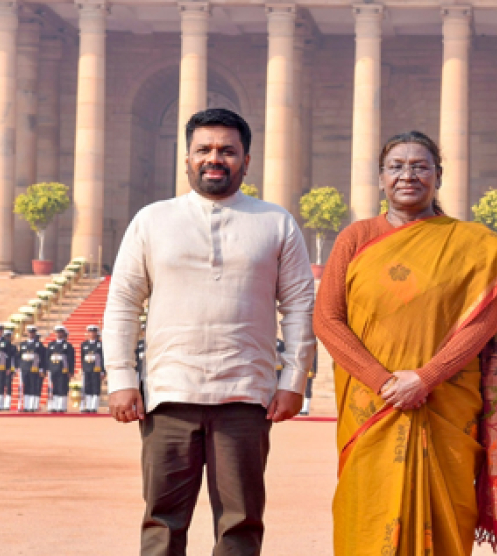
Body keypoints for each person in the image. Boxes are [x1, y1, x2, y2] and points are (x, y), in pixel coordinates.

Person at [314, 130, 497, 555]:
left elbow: (485, 320)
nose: (409, 175)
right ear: (380, 179)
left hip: (444, 404)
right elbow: (327, 319)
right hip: (372, 404)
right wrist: (383, 381)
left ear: (438, 176)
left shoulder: (472, 244)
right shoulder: (356, 237)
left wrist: (426, 378)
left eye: (421, 166)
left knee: (446, 516)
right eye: (397, 167)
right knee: (364, 512)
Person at [103, 108, 316, 555]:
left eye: (227, 151)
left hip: (245, 394)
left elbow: (299, 306)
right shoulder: (151, 220)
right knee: (162, 520)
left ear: (246, 160)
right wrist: (122, 380)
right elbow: (123, 303)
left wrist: (294, 381)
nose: (214, 158)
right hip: (169, 394)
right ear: (186, 158)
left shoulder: (276, 222)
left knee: (240, 523)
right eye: (204, 149)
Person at [46, 325, 75, 413]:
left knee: (62, 387)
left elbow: (71, 359)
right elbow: (47, 357)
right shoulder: (51, 345)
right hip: (53, 369)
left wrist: (71, 371)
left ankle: (62, 406)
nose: (58, 334)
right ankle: (54, 406)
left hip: (63, 370)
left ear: (64, 333)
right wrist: (47, 369)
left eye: (60, 332)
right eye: (57, 332)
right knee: (54, 388)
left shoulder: (67, 346)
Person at [18, 325, 46, 412]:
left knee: (34, 386)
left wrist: (42, 369)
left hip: (34, 368)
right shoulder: (23, 344)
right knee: (26, 386)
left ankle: (33, 406)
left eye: (32, 332)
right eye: (29, 332)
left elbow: (42, 357)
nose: (31, 334)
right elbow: (19, 356)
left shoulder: (39, 345)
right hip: (25, 368)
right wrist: (19, 366)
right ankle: (26, 406)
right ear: (27, 333)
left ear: (35, 333)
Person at [80, 325, 105, 413]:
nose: (92, 334)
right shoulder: (84, 344)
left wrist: (103, 371)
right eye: (90, 332)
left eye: (93, 332)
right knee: (88, 387)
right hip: (87, 368)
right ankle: (88, 406)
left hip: (96, 369)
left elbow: (103, 358)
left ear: (96, 333)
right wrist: (82, 368)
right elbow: (82, 357)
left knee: (96, 387)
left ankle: (94, 407)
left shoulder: (100, 344)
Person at [2, 326, 18, 411]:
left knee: (8, 386)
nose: (7, 338)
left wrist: (14, 369)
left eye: (9, 336)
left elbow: (14, 359)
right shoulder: (1, 345)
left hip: (9, 369)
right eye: (6, 336)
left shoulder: (13, 347)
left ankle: (7, 404)